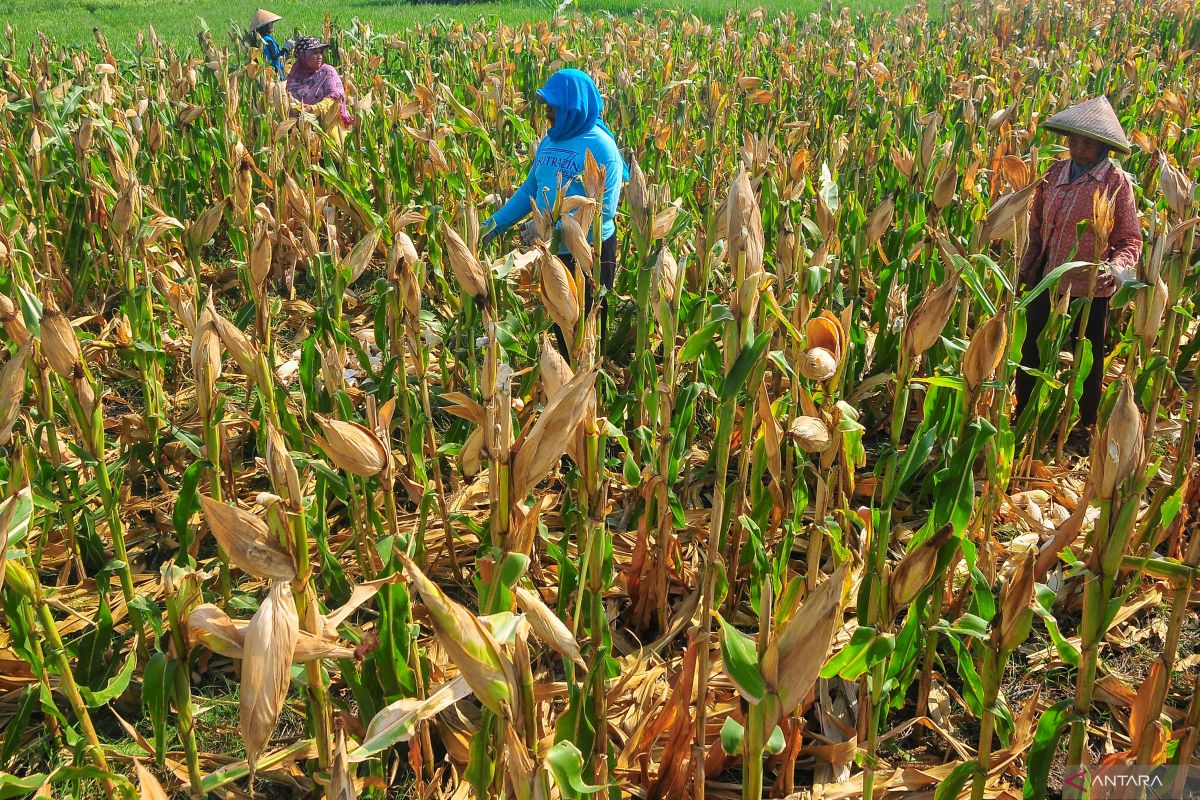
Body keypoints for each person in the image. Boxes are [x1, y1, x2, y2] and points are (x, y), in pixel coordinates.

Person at [1014, 96, 1142, 447]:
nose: (1078, 146)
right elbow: (1038, 226)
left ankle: (1085, 427)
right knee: (1031, 351)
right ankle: (1023, 413)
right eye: (1073, 139)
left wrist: (1114, 269)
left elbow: (1130, 238)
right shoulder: (1054, 174)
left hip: (1089, 288)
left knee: (1089, 357)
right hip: (1047, 281)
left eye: (1087, 141)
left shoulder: (1115, 183)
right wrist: (1027, 266)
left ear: (1103, 145)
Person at [481, 68, 628, 353]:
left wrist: (550, 227)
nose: (547, 112)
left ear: (573, 107)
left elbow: (604, 211)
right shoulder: (551, 140)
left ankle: (591, 383)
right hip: (553, 250)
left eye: (553, 107)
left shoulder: (602, 147)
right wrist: (493, 225)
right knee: (560, 320)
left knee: (587, 325)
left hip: (590, 252)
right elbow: (530, 191)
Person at [285, 37, 355, 143]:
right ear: (302, 55)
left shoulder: (327, 72)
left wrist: (313, 109)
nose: (319, 56)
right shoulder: (293, 77)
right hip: (298, 125)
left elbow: (336, 96)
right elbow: (284, 100)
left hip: (327, 123)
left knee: (334, 142)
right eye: (314, 53)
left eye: (320, 53)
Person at [248, 9, 291, 78]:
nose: (272, 26)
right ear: (264, 27)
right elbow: (275, 57)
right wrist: (285, 49)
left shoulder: (259, 40)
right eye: (271, 24)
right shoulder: (267, 40)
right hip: (274, 73)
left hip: (265, 74)